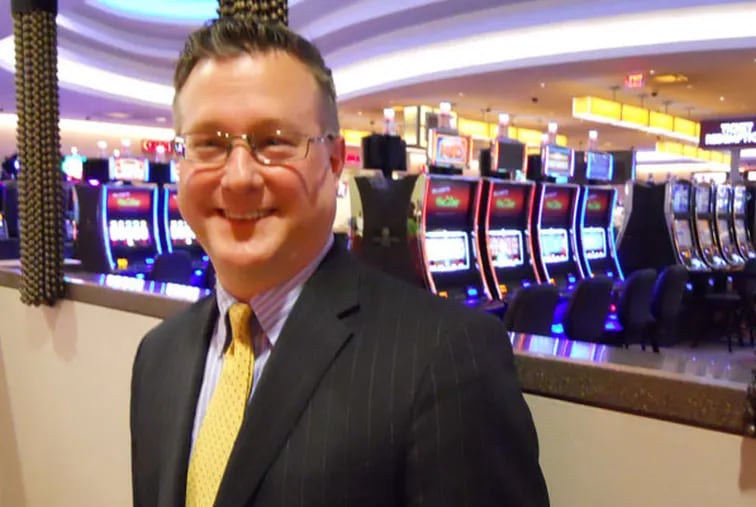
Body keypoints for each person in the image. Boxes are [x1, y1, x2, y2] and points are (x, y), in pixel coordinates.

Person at [130, 16, 550, 507]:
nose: (239, 177)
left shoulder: (448, 356)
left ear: (334, 163)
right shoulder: (157, 356)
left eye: (274, 141)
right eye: (209, 144)